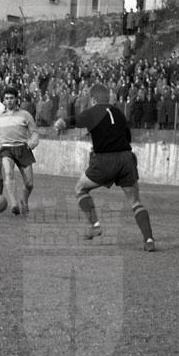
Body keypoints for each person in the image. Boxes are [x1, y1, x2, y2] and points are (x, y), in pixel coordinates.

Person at [54, 83, 156, 252]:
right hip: (126, 159)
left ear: (93, 99)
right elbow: (128, 138)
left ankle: (95, 226)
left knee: (80, 188)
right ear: (107, 98)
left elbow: (69, 121)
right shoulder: (119, 113)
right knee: (135, 202)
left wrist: (59, 124)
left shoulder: (92, 112)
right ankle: (149, 239)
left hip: (105, 160)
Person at [0, 86, 39, 215]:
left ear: (16, 99)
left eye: (11, 98)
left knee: (29, 184)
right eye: (6, 98)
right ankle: (14, 204)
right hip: (6, 149)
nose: (9, 100)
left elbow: (34, 132)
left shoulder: (25, 115)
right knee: (9, 173)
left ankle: (24, 200)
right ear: (3, 101)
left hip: (23, 148)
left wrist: (33, 141)